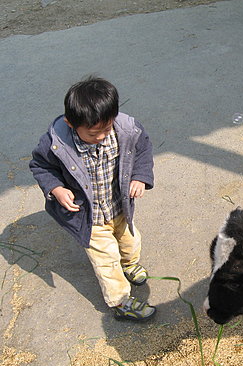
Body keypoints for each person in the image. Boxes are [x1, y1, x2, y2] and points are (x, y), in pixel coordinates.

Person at [30, 76, 156, 322]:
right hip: (89, 216)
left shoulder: (127, 130)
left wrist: (140, 177)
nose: (100, 136)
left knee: (130, 241)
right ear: (71, 124)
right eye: (93, 133)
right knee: (106, 259)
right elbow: (40, 165)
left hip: (120, 205)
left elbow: (143, 149)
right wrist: (55, 188)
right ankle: (120, 301)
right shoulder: (55, 144)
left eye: (106, 129)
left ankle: (129, 265)